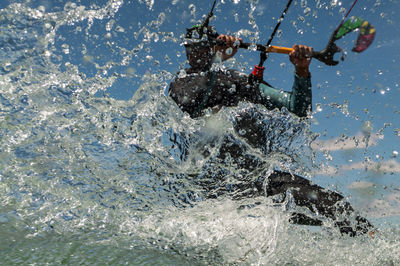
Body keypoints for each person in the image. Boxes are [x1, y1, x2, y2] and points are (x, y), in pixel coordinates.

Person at [168, 33, 375, 237]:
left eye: (201, 47)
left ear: (211, 47)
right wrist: (216, 61)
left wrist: (301, 71)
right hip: (212, 198)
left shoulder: (238, 81)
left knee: (334, 206)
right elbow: (190, 103)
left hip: (260, 184)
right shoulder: (180, 83)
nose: (194, 53)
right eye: (190, 48)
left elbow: (298, 109)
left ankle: (376, 241)